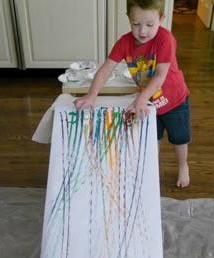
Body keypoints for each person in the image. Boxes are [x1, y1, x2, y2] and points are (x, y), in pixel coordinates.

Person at [74, 0, 191, 188]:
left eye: (149, 25)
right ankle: (152, 168)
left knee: (179, 139)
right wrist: (91, 95)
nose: (142, 31)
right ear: (129, 18)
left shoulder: (165, 39)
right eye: (136, 24)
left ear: (161, 19)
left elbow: (160, 76)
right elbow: (105, 70)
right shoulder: (124, 42)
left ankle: (182, 165)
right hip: (149, 104)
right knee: (152, 138)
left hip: (175, 101)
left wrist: (140, 99)